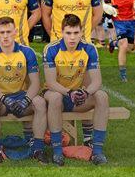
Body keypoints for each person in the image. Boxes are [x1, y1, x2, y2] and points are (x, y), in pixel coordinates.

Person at [43, 14, 110, 166]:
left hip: (78, 95)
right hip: (57, 94)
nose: (72, 38)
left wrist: (86, 92)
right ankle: (57, 151)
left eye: (75, 33)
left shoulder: (90, 49)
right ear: (62, 32)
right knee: (54, 97)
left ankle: (97, 151)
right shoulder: (51, 49)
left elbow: (97, 81)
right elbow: (51, 82)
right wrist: (69, 92)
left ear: (81, 33)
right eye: (68, 33)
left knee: (102, 96)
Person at [0, 17, 48, 164]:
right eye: (2, 32)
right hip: (0, 98)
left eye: (9, 32)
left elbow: (35, 83)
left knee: (40, 102)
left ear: (16, 32)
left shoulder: (27, 52)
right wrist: (5, 99)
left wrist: (26, 100)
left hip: (21, 96)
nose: (5, 36)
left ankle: (38, 148)